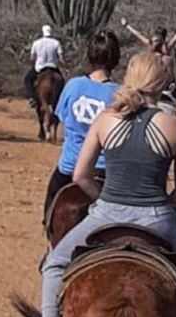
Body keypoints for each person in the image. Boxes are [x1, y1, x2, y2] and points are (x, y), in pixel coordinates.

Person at [27, 52, 176, 317]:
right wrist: (162, 206)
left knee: (54, 264)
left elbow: (80, 175)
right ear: (163, 83)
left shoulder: (106, 119)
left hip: (107, 212)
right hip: (157, 218)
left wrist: (103, 198)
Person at [43, 29, 121, 219]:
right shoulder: (121, 94)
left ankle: (50, 238)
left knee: (51, 205)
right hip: (107, 171)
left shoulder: (73, 85)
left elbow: (62, 119)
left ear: (89, 56)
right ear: (115, 60)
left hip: (71, 167)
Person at [120, 15, 176, 114]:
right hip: (163, 86)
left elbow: (138, 35)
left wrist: (127, 25)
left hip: (156, 84)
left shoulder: (153, 46)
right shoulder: (166, 48)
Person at [25, 25, 65, 109]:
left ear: (42, 31)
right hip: (53, 68)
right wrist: (65, 65)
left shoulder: (36, 42)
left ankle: (31, 98)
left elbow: (32, 58)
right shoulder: (56, 43)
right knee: (62, 82)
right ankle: (62, 100)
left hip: (39, 68)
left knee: (28, 79)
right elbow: (61, 58)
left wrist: (32, 62)